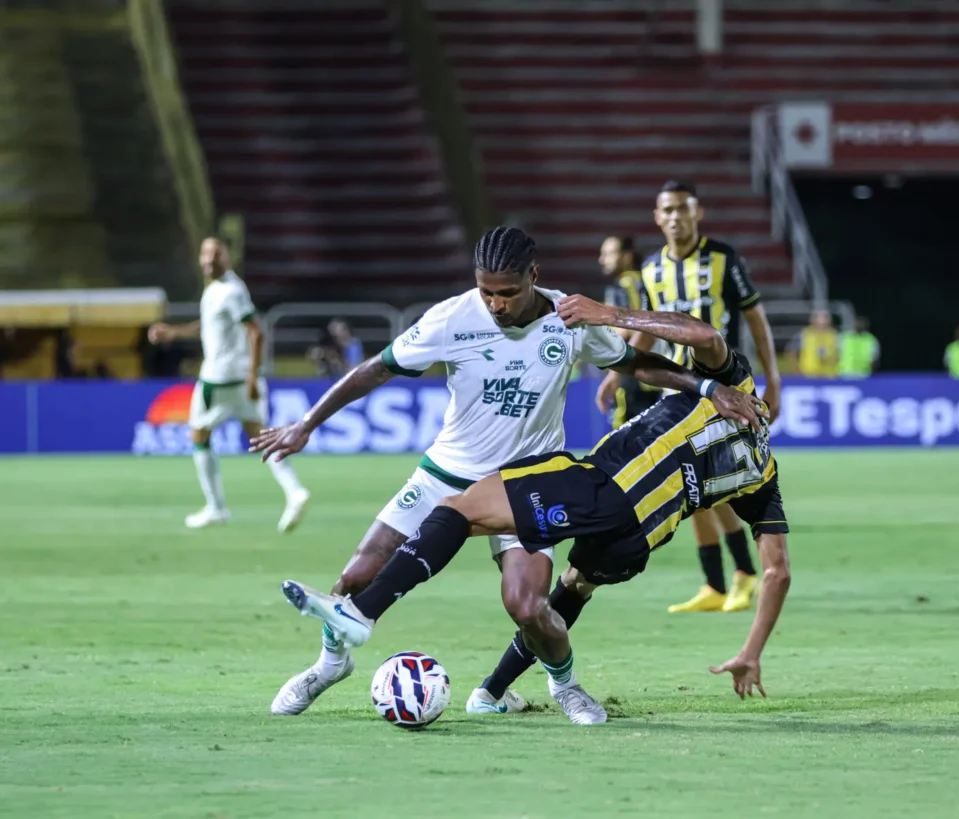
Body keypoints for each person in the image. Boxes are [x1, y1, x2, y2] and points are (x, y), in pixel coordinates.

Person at [249, 227, 765, 721]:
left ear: (533, 276)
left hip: (527, 482)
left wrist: (705, 388)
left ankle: (564, 684)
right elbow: (377, 368)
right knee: (355, 578)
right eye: (486, 292)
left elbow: (636, 363)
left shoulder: (568, 319)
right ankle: (328, 667)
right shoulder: (451, 318)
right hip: (446, 473)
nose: (495, 304)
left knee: (528, 607)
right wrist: (306, 424)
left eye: (508, 293)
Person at [599, 180, 782, 615]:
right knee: (692, 489)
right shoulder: (649, 269)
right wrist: (613, 370)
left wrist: (773, 376)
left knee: (722, 487)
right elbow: (642, 322)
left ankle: (745, 575)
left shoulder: (723, 259)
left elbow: (755, 317)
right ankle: (717, 584)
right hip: (680, 390)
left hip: (726, 390)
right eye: (668, 210)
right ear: (657, 218)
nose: (676, 217)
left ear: (697, 212)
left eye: (684, 208)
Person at [147, 237, 310, 532]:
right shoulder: (222, 289)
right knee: (260, 436)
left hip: (220, 379)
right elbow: (210, 325)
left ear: (228, 257)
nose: (210, 259)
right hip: (239, 378)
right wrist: (173, 332)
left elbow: (256, 332)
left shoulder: (231, 291)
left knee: (199, 436)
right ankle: (294, 490)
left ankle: (216, 508)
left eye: (216, 253)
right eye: (205, 253)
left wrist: (253, 374)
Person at [599, 235, 663, 427]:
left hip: (629, 373)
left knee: (622, 439)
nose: (602, 260)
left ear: (626, 257)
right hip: (653, 373)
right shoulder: (645, 280)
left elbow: (624, 329)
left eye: (609, 254)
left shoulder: (623, 285)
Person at [789, 309, 839, 378]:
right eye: (819, 322)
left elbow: (838, 356)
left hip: (828, 376)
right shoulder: (804, 334)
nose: (822, 324)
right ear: (813, 321)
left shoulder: (833, 335)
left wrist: (829, 361)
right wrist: (797, 372)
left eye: (824, 322)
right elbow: (792, 354)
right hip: (808, 376)